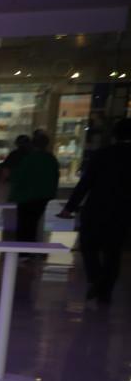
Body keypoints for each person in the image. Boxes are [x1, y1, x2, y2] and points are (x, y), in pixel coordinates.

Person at [61, 117, 131, 304]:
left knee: (88, 246)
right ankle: (105, 290)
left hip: (97, 208)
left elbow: (85, 184)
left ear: (115, 135)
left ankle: (96, 277)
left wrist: (70, 207)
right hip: (123, 212)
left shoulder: (102, 154)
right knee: (113, 252)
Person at [9, 129, 60, 243]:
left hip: (26, 196)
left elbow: (19, 177)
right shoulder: (50, 159)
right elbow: (55, 177)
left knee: (24, 224)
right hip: (43, 196)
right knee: (33, 222)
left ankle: (23, 251)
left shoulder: (29, 159)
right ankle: (30, 248)